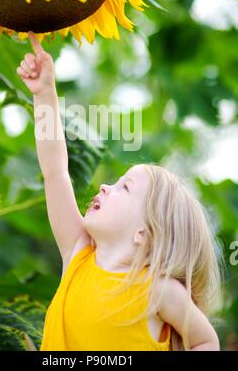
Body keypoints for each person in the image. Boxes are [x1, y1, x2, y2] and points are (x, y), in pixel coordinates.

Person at [16, 31, 222, 351]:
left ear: (144, 232)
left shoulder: (157, 291)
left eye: (123, 187)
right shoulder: (78, 256)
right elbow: (55, 171)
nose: (104, 186)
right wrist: (44, 95)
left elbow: (206, 341)